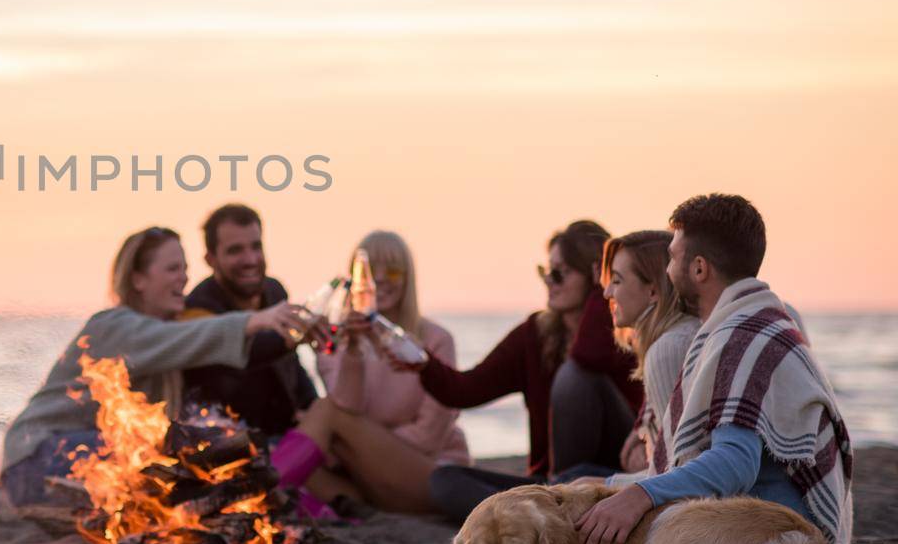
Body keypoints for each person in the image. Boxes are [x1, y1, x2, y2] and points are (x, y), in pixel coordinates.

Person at [575, 194, 862, 544]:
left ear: (698, 268)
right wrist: (617, 487)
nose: (668, 268)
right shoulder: (762, 320)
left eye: (672, 257)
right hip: (784, 535)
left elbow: (734, 465)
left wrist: (638, 494)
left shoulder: (737, 336)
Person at [0, 227, 308, 507]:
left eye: (185, 269)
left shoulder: (165, 351)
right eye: (172, 269)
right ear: (138, 279)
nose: (184, 278)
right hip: (35, 459)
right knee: (154, 456)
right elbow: (186, 337)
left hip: (86, 462)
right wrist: (255, 321)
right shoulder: (113, 325)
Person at [380, 220, 640, 522]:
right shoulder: (534, 335)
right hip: (549, 485)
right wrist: (424, 363)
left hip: (610, 479)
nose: (549, 282)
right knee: (445, 481)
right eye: (545, 272)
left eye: (560, 273)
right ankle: (547, 511)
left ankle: (554, 507)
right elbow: (465, 390)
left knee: (575, 379)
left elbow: (586, 357)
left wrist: (600, 292)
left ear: (596, 276)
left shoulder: (623, 331)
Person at [275, 230, 471, 515]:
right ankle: (339, 511)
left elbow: (429, 437)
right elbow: (349, 406)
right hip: (371, 482)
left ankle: (263, 492)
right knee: (306, 458)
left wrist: (353, 448)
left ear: (407, 277)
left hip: (431, 476)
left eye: (391, 270)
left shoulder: (436, 340)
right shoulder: (338, 344)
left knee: (324, 411)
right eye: (366, 271)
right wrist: (354, 347)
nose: (379, 279)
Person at [179, 204, 318, 438]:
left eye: (256, 246)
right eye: (235, 250)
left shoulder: (274, 292)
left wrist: (312, 411)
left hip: (289, 435)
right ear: (210, 259)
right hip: (238, 453)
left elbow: (292, 368)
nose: (250, 259)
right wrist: (298, 334)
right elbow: (245, 352)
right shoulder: (197, 309)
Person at [595, 230, 698, 486]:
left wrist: (605, 485)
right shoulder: (680, 335)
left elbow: (680, 471)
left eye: (616, 281)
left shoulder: (668, 349)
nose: (607, 293)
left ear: (653, 291)